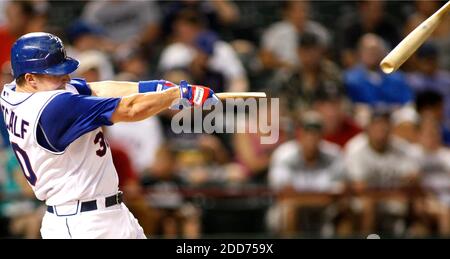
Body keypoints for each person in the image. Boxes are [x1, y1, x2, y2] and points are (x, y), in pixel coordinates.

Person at [0, 32, 218, 239]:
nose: (66, 77)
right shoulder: (51, 108)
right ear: (30, 78)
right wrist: (176, 95)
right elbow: (130, 109)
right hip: (82, 223)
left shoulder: (13, 91)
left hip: (106, 212)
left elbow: (95, 89)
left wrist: (152, 87)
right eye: (56, 73)